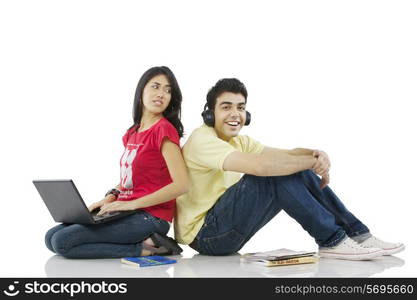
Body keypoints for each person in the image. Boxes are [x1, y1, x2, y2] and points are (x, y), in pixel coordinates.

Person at [174, 78, 404, 260]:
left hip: (224, 228)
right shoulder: (202, 140)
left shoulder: (240, 141)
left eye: (241, 108)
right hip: (206, 236)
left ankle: (359, 235)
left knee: (293, 168)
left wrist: (314, 154)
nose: (235, 114)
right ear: (210, 113)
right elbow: (262, 166)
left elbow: (285, 155)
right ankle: (332, 241)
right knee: (272, 175)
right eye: (226, 107)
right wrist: (309, 163)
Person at [45, 66, 188, 258]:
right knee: (51, 237)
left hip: (151, 217)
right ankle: (138, 241)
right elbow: (129, 181)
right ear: (141, 91)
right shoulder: (132, 133)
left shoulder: (164, 130)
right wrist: (110, 198)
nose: (161, 94)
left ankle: (153, 247)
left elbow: (181, 185)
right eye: (155, 86)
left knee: (62, 243)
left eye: (167, 90)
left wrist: (131, 204)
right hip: (125, 210)